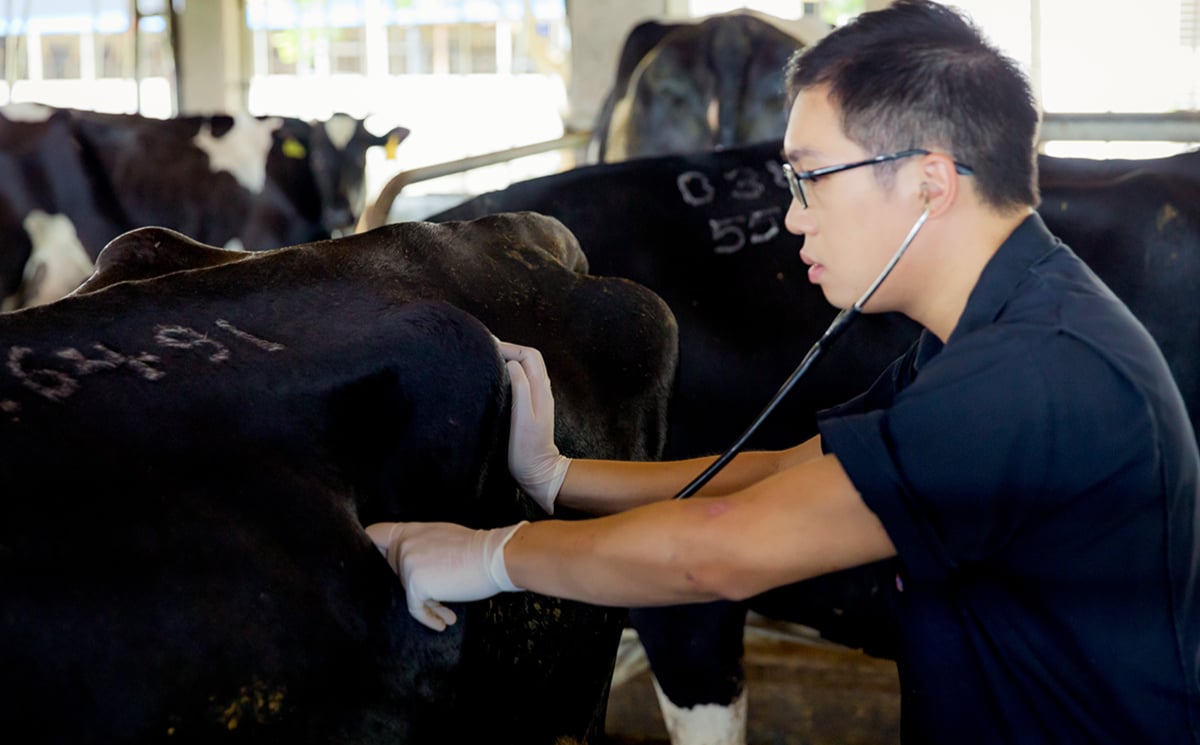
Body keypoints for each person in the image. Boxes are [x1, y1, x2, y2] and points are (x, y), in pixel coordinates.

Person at [366, 1, 1200, 742]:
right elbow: (780, 470)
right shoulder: (999, 320)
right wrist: (561, 476)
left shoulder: (1032, 375)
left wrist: (485, 555)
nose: (792, 217)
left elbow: (720, 553)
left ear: (928, 183)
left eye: (809, 178)